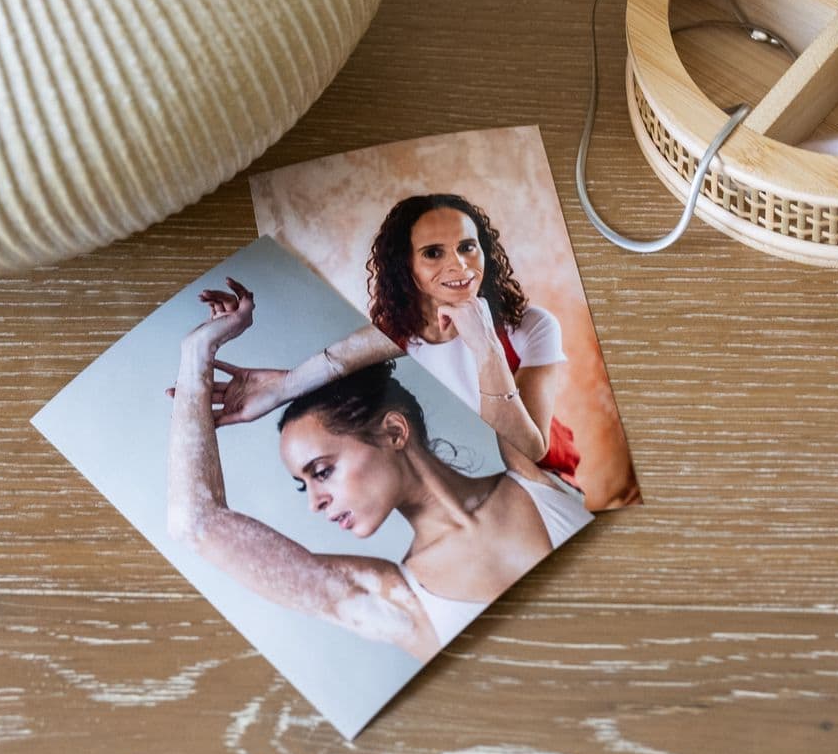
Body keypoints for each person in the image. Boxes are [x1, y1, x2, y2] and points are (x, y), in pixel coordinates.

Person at [167, 278, 591, 659]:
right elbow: (196, 522)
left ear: (393, 431)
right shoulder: (396, 600)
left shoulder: (528, 463)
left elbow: (442, 317)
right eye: (303, 485)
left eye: (321, 471)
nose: (316, 503)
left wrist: (294, 383)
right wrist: (196, 355)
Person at [201, 194, 583, 486]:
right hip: (482, 495)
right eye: (433, 253)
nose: (461, 265)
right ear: (406, 268)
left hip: (548, 486)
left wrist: (486, 347)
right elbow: (339, 361)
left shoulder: (530, 325)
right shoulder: (396, 337)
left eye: (468, 246)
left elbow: (529, 451)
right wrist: (282, 387)